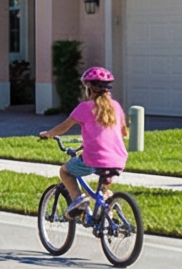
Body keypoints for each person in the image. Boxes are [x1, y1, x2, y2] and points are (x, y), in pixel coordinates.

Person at [39, 65, 127, 222]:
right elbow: (123, 131)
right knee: (104, 183)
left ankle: (78, 200)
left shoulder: (85, 108)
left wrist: (49, 134)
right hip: (118, 159)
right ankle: (107, 210)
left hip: (94, 158)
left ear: (89, 88)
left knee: (65, 171)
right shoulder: (116, 107)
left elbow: (63, 127)